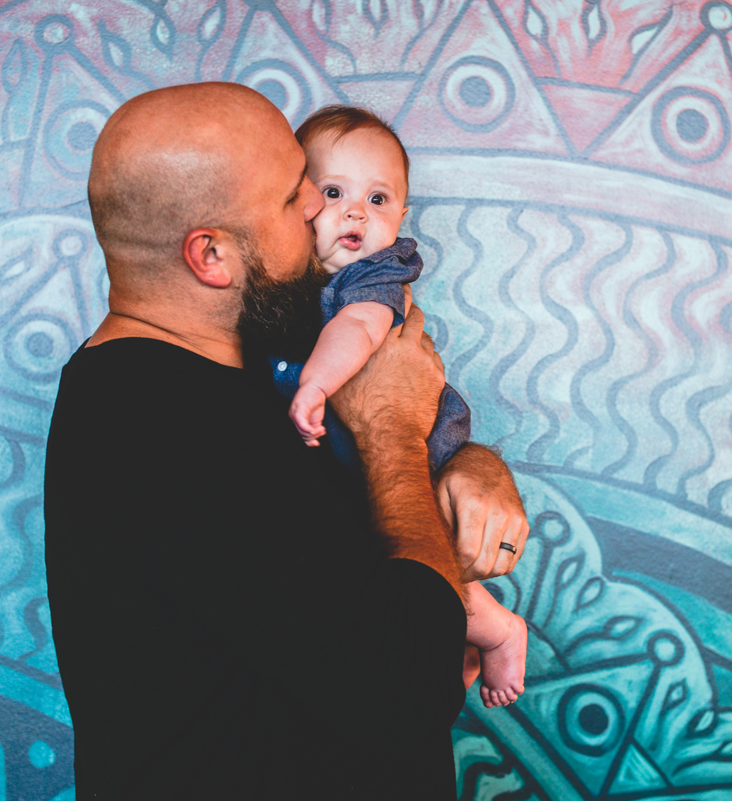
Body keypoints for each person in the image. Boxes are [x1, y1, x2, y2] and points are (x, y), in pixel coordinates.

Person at [43, 82, 530, 800]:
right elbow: (409, 681)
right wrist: (393, 428)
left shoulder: (242, 370)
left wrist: (472, 462)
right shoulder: (161, 428)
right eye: (292, 194)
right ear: (211, 254)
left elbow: (368, 492)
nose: (318, 209)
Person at [272, 105, 527, 709]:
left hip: (414, 439)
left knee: (402, 548)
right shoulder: (296, 282)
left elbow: (359, 332)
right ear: (296, 201)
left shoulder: (372, 279)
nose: (357, 212)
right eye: (333, 192)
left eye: (379, 199)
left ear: (402, 218)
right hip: (348, 446)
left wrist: (313, 385)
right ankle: (477, 630)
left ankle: (496, 630)